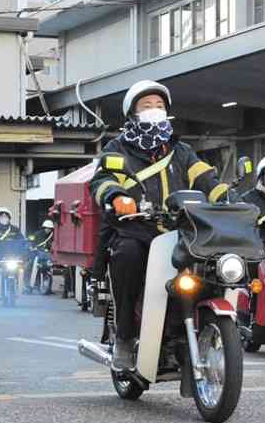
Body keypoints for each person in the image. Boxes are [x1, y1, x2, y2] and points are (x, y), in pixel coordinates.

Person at [90, 80, 231, 372]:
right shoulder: (118, 149)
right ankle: (126, 338)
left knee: (216, 267)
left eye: (159, 106)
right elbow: (101, 180)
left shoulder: (180, 150)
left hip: (182, 232)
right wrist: (116, 196)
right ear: (132, 114)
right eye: (146, 106)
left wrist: (230, 199)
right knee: (127, 256)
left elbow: (207, 180)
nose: (154, 111)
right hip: (136, 229)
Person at [25, 219, 54, 292]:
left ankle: (48, 288)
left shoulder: (53, 236)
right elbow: (29, 240)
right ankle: (28, 285)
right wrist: (30, 247)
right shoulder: (37, 234)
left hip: (47, 256)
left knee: (49, 269)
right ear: (44, 227)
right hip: (36, 254)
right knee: (29, 266)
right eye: (46, 228)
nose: (48, 230)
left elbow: (55, 245)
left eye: (50, 228)